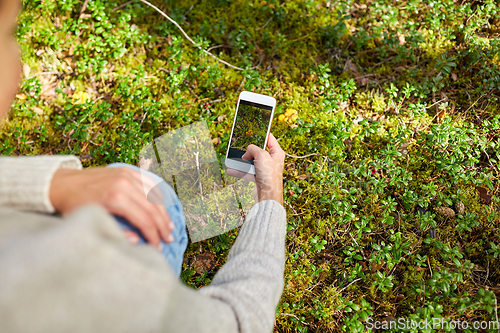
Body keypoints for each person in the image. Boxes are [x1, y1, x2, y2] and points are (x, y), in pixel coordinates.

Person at [0, 0, 287, 332]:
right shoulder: (103, 286)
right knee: (155, 196)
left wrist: (51, 185)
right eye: (9, 33)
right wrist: (269, 196)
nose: (17, 53)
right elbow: (242, 320)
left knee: (137, 180)